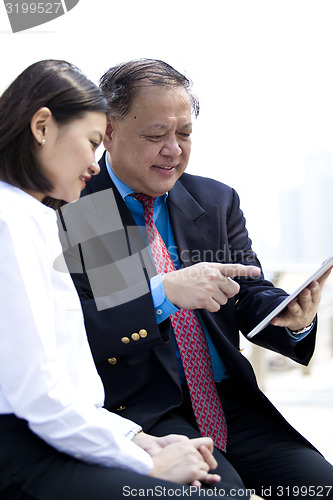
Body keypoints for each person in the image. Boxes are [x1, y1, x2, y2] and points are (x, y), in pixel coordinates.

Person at [59, 58, 333, 499]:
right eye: (156, 135)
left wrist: (291, 315)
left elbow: (247, 289)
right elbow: (79, 329)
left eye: (184, 134)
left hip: (234, 404)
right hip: (151, 413)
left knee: (319, 487)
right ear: (108, 131)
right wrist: (165, 294)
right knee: (225, 493)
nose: (174, 149)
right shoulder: (78, 206)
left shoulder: (215, 199)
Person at [0, 59, 258, 500]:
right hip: (55, 436)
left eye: (184, 135)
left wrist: (136, 442)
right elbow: (47, 387)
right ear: (43, 127)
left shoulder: (36, 220)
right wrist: (145, 457)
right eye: (92, 141)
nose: (94, 162)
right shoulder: (62, 214)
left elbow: (251, 291)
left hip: (141, 419)